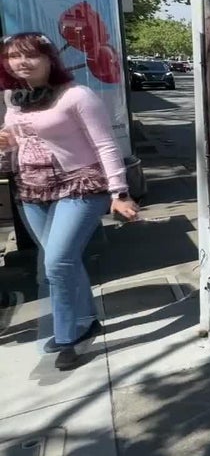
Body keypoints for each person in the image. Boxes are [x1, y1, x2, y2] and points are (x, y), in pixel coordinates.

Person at [0, 32, 139, 371]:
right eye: (13, 57)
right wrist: (5, 144)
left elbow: (106, 145)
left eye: (30, 55)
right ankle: (87, 320)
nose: (21, 62)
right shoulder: (14, 99)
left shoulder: (77, 95)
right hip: (32, 191)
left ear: (50, 59)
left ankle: (67, 338)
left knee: (57, 263)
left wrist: (118, 192)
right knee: (62, 260)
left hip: (80, 186)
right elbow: (12, 141)